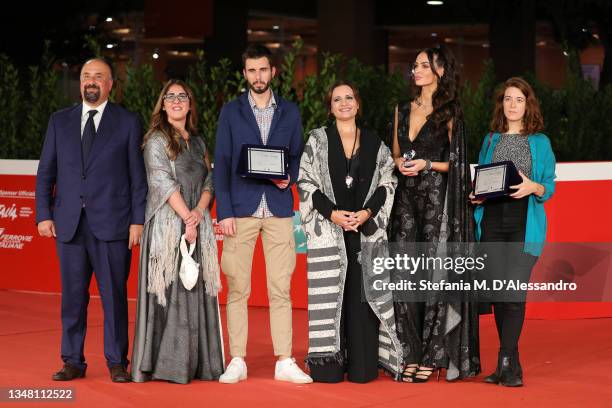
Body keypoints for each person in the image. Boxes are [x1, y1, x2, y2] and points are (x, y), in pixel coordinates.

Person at [36, 58, 147, 382]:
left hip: (113, 225)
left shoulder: (127, 122)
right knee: (72, 298)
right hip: (69, 225)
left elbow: (136, 177)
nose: (91, 81)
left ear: (111, 84)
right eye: (86, 76)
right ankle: (72, 360)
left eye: (99, 76)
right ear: (80, 82)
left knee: (114, 297)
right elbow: (46, 172)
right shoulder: (59, 121)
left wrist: (137, 221)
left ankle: (116, 362)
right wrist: (43, 214)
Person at [213, 44, 311, 384]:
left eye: (263, 70)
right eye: (252, 70)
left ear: (273, 72)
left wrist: (290, 176)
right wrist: (223, 210)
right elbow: (222, 163)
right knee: (238, 287)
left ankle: (284, 359)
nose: (258, 76)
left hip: (280, 208)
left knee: (281, 287)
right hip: (240, 209)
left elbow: (298, 155)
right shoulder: (230, 112)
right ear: (245, 74)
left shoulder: (291, 112)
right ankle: (236, 359)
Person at [297, 81, 402, 382]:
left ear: (357, 103)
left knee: (362, 298)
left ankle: (363, 364)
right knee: (332, 298)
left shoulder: (374, 143)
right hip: (330, 231)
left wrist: (367, 212)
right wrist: (331, 213)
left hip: (364, 231)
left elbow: (387, 183)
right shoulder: (317, 140)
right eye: (337, 99)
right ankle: (329, 366)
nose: (344, 103)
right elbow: (306, 183)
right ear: (330, 107)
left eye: (349, 98)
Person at [388, 46, 480, 382]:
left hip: (436, 202)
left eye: (424, 65)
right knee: (403, 274)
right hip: (404, 201)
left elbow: (457, 162)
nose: (417, 70)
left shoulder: (450, 110)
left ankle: (430, 355)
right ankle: (409, 352)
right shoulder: (401, 107)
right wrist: (402, 164)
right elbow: (395, 154)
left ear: (440, 70)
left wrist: (427, 164)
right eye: (414, 65)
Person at [130, 79, 224, 384]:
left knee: (195, 289)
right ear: (163, 103)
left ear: (189, 103)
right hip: (168, 230)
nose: (176, 101)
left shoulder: (197, 141)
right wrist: (186, 218)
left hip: (196, 224)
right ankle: (165, 365)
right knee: (169, 293)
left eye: (182, 96)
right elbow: (162, 183)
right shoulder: (156, 140)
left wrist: (198, 214)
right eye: (170, 96)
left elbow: (210, 181)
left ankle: (197, 364)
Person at [470, 77, 556, 387]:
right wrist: (477, 195)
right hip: (492, 219)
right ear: (502, 104)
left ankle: (506, 360)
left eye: (519, 99)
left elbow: (549, 185)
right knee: (497, 294)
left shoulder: (540, 141)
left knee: (513, 294)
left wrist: (533, 187)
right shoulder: (491, 139)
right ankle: (510, 365)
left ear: (527, 104)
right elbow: (482, 177)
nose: (513, 104)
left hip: (523, 221)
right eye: (508, 99)